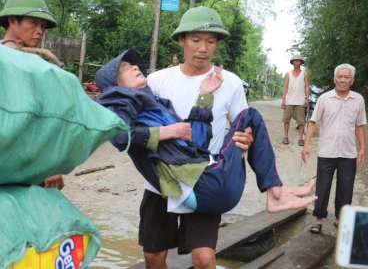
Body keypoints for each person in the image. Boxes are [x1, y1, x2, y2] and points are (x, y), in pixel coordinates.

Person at [116, 7, 316, 268]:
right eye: (196, 40)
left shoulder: (229, 82)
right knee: (154, 257)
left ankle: (274, 191)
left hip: (204, 177)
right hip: (161, 182)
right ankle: (275, 191)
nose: (203, 48)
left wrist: (246, 140)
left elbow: (243, 124)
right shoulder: (156, 81)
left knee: (204, 258)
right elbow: (131, 128)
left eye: (210, 42)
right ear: (182, 40)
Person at [96, 49, 317, 215]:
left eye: (133, 65)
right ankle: (275, 192)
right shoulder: (118, 103)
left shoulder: (155, 105)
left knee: (249, 117)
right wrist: (170, 131)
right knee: (251, 116)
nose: (134, 67)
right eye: (124, 68)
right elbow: (121, 137)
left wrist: (204, 95)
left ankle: (275, 192)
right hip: (202, 186)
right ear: (114, 85)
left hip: (209, 180)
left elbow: (197, 144)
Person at [0, 0, 64, 190]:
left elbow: (43, 119)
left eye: (43, 25)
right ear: (13, 21)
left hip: (28, 167)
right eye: (33, 23)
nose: (40, 30)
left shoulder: (33, 63)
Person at [301, 63, 366, 235]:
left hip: (348, 152)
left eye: (346, 77)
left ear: (352, 81)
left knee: (346, 188)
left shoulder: (358, 99)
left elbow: (359, 125)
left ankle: (339, 219)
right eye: (340, 76)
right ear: (334, 79)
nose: (342, 80)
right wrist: (306, 145)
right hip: (327, 150)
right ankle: (319, 220)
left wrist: (362, 148)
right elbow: (313, 122)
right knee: (323, 186)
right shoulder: (324, 99)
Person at [281, 54, 310, 146]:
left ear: (301, 62)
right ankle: (286, 136)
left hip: (300, 100)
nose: (297, 62)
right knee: (286, 120)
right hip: (289, 100)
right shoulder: (288, 74)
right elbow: (285, 86)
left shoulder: (304, 73)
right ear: (292, 62)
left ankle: (301, 138)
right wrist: (283, 100)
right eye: (295, 60)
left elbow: (307, 86)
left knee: (301, 121)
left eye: (299, 61)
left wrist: (307, 98)